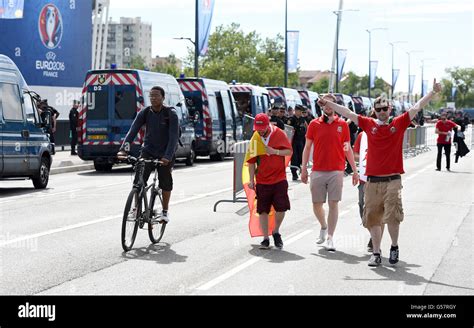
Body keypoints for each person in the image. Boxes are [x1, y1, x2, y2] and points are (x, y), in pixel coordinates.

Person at [317, 79, 442, 267]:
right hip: (372, 181)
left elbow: (416, 107)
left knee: (392, 215)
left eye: (385, 108)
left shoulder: (398, 124)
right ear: (374, 110)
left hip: (392, 179)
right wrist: (328, 104)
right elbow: (347, 112)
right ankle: (376, 252)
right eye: (379, 109)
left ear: (390, 109)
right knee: (373, 217)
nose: (382, 112)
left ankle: (394, 246)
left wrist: (432, 93)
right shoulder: (368, 125)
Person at [301, 93, 359, 252]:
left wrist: (355, 170)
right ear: (321, 106)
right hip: (318, 170)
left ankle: (330, 238)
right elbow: (307, 148)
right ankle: (323, 226)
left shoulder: (343, 125)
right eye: (325, 104)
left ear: (335, 106)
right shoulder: (314, 124)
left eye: (331, 104)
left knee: (333, 204)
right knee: (317, 204)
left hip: (336, 170)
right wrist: (303, 168)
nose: (328, 106)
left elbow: (348, 149)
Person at [117, 86, 179, 223]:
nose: (153, 98)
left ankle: (164, 211)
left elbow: (174, 138)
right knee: (138, 181)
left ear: (163, 98)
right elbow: (132, 131)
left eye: (156, 95)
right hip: (148, 151)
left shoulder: (171, 114)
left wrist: (167, 156)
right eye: (151, 96)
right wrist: (124, 149)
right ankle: (136, 208)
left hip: (165, 153)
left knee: (165, 182)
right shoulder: (145, 112)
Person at [247, 113, 293, 249]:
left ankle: (276, 231)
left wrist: (275, 151)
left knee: (282, 207)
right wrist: (251, 180)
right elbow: (251, 161)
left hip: (279, 178)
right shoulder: (255, 139)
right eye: (257, 128)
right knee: (262, 210)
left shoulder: (279, 134)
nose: (260, 131)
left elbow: (289, 151)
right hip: (262, 180)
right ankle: (265, 238)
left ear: (268, 125)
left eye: (262, 128)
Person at [287, 105, 308, 181]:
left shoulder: (302, 119)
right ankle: (294, 173)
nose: (301, 112)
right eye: (300, 111)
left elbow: (306, 128)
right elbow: (288, 129)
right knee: (294, 158)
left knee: (301, 157)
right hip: (294, 141)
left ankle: (301, 170)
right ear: (296, 111)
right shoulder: (291, 119)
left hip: (301, 140)